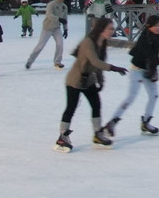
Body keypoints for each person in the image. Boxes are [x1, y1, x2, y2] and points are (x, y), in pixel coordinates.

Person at [54, 18, 128, 152]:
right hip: (75, 80)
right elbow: (95, 61)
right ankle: (62, 137)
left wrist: (100, 80)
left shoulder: (102, 43)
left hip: (88, 80)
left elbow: (98, 65)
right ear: (101, 29)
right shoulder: (88, 42)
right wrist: (114, 68)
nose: (112, 31)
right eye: (110, 28)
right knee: (71, 107)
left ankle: (98, 134)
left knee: (96, 105)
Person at [103, 15, 159, 138]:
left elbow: (153, 59)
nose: (157, 28)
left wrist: (154, 71)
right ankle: (111, 123)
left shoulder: (156, 38)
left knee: (154, 96)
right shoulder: (144, 39)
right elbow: (152, 57)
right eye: (155, 26)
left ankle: (146, 122)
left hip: (148, 70)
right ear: (148, 26)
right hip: (137, 70)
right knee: (131, 97)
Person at [26, 0, 68, 70]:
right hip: (47, 28)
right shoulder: (51, 4)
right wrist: (59, 19)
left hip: (57, 28)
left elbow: (65, 18)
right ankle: (30, 61)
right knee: (40, 46)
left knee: (60, 44)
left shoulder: (64, 6)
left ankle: (57, 62)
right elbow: (49, 15)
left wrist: (65, 29)